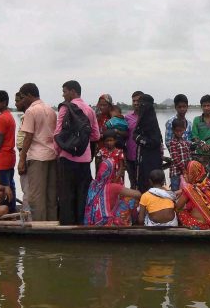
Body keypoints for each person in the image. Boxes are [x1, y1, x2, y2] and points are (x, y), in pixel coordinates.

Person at [54, 80, 101, 226]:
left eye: (65, 91)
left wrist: (59, 151)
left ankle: (67, 224)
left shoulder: (65, 108)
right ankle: (82, 222)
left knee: (66, 193)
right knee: (82, 192)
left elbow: (57, 133)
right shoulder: (89, 110)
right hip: (85, 159)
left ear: (73, 91)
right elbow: (96, 136)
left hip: (67, 157)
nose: (63, 94)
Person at [16, 83, 58, 221]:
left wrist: (22, 159)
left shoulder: (31, 111)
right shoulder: (51, 110)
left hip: (37, 157)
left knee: (36, 196)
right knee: (51, 194)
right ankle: (52, 222)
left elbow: (28, 136)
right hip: (52, 154)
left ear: (29, 95)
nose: (22, 100)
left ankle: (39, 225)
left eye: (22, 97)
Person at [84, 156, 141, 226]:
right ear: (110, 172)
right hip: (106, 222)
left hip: (92, 221)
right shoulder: (113, 187)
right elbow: (138, 194)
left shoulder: (93, 184)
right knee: (130, 199)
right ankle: (125, 223)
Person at [0, 90, 17, 213]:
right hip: (10, 156)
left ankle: (7, 210)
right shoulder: (9, 115)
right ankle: (12, 208)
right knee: (10, 184)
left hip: (3, 156)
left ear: (4, 102)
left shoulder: (2, 118)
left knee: (5, 186)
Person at [176, 160, 210, 230]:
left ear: (194, 173)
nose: (184, 176)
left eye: (186, 173)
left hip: (198, 224)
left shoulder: (189, 189)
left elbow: (177, 208)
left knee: (179, 212)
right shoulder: (208, 184)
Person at [133, 94, 163, 192]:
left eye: (143, 104)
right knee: (141, 181)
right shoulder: (142, 119)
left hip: (151, 159)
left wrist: (138, 138)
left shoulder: (151, 121)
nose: (141, 106)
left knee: (151, 182)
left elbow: (154, 142)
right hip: (142, 158)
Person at [167, 117, 191, 191]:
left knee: (185, 191)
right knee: (175, 191)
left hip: (185, 171)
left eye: (181, 131)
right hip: (176, 173)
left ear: (184, 129)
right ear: (173, 131)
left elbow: (188, 155)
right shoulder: (172, 143)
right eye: (177, 131)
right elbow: (175, 158)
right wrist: (183, 169)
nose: (179, 133)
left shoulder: (184, 142)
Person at [125, 91, 143, 186]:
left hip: (144, 157)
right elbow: (123, 136)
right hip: (130, 157)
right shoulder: (127, 117)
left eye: (138, 100)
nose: (135, 103)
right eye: (134, 101)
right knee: (133, 183)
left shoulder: (148, 117)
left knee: (144, 183)